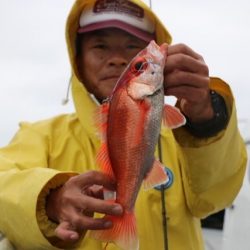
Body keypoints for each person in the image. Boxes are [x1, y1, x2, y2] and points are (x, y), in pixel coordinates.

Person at [0, 0, 247, 249]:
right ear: (78, 60)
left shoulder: (183, 137)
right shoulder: (40, 136)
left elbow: (215, 198)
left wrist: (207, 120)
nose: (117, 59)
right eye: (100, 46)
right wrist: (48, 199)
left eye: (132, 47)